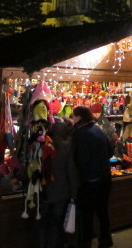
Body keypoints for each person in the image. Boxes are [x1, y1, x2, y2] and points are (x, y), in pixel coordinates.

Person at [71, 105, 114, 248]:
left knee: (87, 214)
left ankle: (86, 241)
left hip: (90, 179)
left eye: (73, 116)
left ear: (79, 117)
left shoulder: (80, 134)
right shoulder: (98, 129)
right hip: (105, 176)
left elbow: (82, 159)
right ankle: (105, 239)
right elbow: (110, 151)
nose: (72, 119)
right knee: (102, 210)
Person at [38, 116, 78, 248]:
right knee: (57, 224)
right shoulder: (67, 147)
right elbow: (71, 171)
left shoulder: (41, 144)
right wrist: (74, 193)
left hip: (43, 190)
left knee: (43, 223)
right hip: (61, 192)